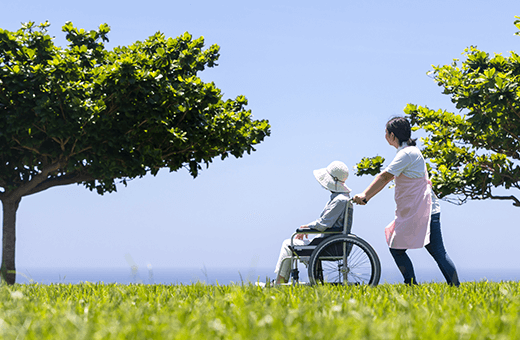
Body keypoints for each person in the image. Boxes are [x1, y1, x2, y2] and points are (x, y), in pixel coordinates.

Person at [353, 117, 460, 286]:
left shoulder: (407, 154)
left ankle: (416, 285)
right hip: (421, 210)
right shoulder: (408, 152)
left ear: (392, 135)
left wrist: (365, 196)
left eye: (386, 133)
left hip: (424, 211)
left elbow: (385, 177)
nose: (385, 136)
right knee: (409, 249)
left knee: (421, 251)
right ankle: (433, 286)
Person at [274, 161, 351, 284]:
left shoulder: (339, 200)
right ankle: (285, 280)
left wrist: (305, 228)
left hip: (328, 245)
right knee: (291, 243)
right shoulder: (342, 198)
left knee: (288, 244)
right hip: (331, 242)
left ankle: (279, 282)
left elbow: (323, 225)